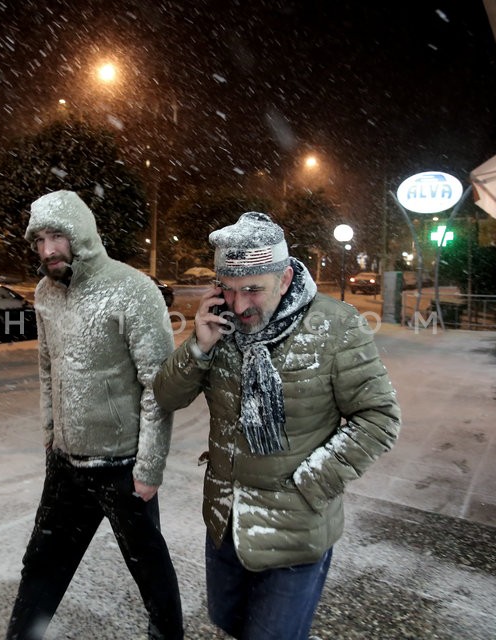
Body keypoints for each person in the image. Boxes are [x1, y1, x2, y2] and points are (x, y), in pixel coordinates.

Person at [153, 212, 401, 640]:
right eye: (228, 290)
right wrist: (199, 346)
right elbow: (166, 396)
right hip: (225, 523)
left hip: (295, 533)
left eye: (253, 289)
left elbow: (379, 418)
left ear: (285, 279)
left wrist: (308, 484)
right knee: (230, 624)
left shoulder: (336, 326)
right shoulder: (221, 328)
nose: (240, 304)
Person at [6, 190, 183, 640]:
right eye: (40, 239)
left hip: (122, 468)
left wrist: (149, 467)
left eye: (57, 237)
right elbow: (47, 368)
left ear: (81, 235)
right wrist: (50, 432)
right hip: (66, 463)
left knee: (151, 575)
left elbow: (157, 388)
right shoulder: (45, 292)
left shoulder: (133, 290)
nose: (48, 250)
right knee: (42, 566)